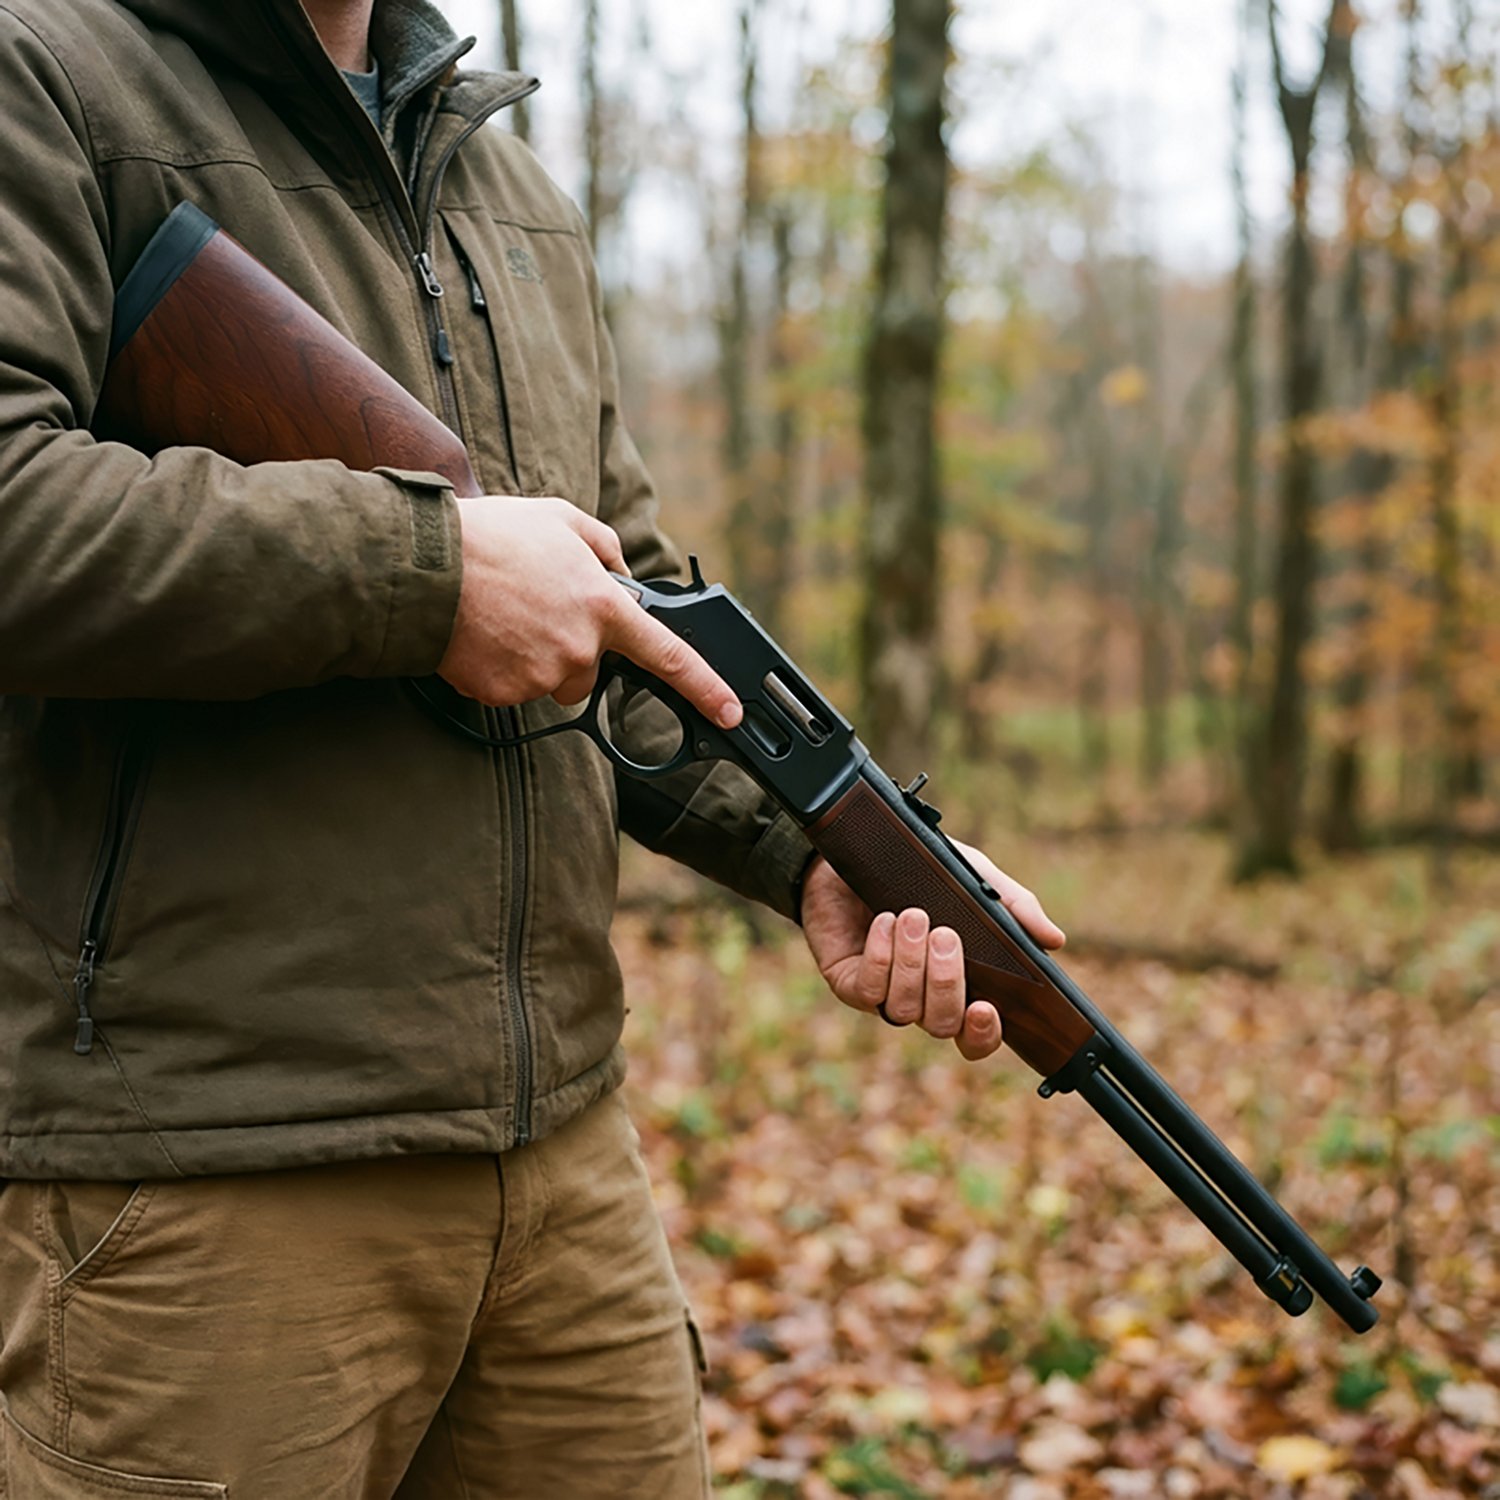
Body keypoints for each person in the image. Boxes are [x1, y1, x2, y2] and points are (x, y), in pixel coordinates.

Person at [0, 0, 1064, 1495]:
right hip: (205, 1167)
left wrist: (835, 842)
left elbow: (631, 613)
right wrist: (426, 579)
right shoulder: (46, 69)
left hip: (561, 1162)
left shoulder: (510, 188)